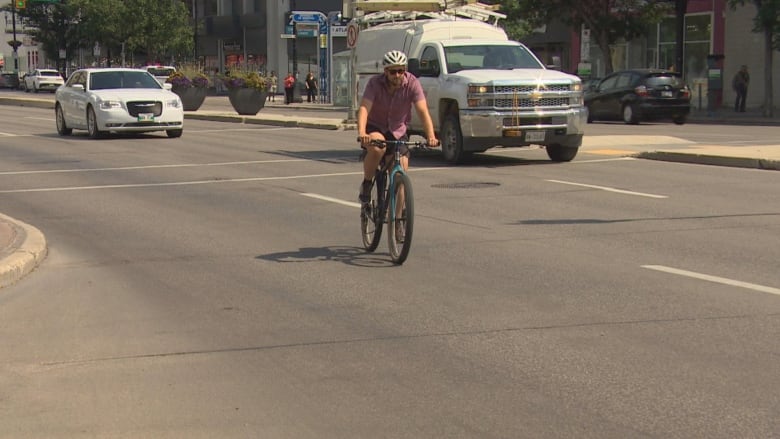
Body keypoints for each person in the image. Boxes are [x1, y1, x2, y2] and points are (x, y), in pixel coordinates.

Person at [357, 50, 439, 203]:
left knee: (400, 174)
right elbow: (364, 108)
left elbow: (422, 111)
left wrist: (431, 136)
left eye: (401, 71)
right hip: (376, 127)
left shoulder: (412, 83)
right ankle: (367, 183)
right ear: (386, 71)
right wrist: (362, 132)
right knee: (377, 148)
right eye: (393, 71)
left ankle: (398, 223)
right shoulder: (375, 83)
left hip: (398, 130)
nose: (397, 75)